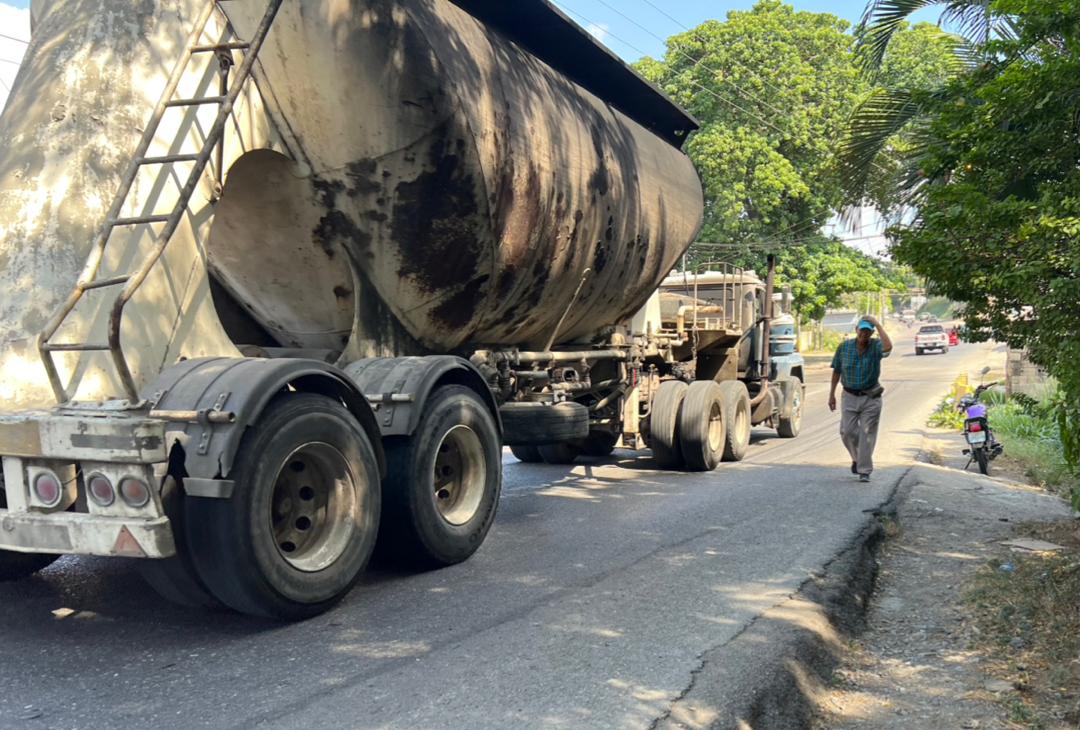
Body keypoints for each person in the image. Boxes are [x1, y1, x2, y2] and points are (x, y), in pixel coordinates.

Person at [828, 315, 893, 482]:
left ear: (871, 333)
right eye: (862, 330)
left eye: (867, 331)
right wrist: (831, 394)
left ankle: (864, 470)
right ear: (856, 330)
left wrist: (877, 324)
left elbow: (888, 348)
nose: (864, 334)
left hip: (871, 396)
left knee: (867, 433)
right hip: (849, 395)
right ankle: (857, 459)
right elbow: (836, 370)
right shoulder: (844, 347)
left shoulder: (876, 346)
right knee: (847, 432)